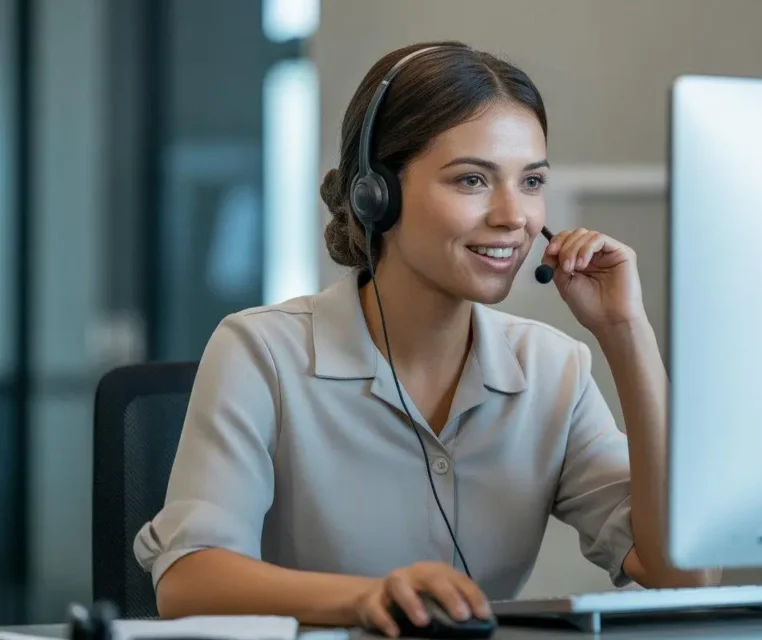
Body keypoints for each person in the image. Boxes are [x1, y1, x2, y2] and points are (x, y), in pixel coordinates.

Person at [134, 40, 719, 637]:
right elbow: (189, 580)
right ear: (375, 194)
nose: (514, 216)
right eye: (471, 180)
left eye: (532, 180)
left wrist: (626, 332)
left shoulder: (551, 369)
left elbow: (682, 576)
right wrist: (373, 598)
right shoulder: (262, 354)